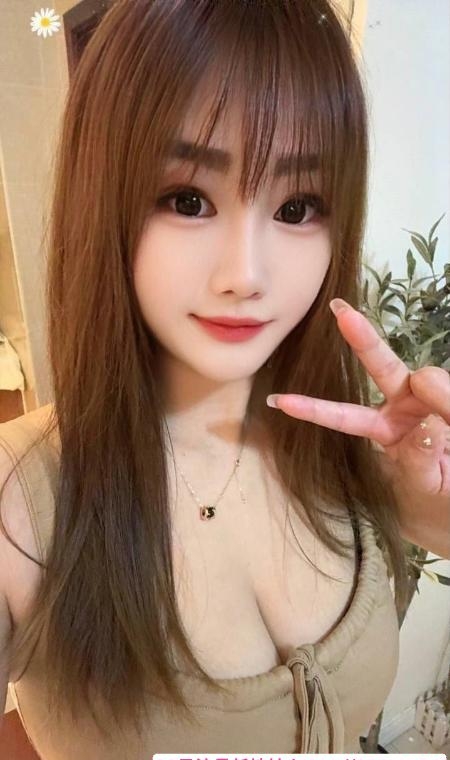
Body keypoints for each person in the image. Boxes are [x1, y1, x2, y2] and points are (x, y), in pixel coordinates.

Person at [0, 0, 449, 756]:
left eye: (297, 207)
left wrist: (436, 515)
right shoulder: (21, 500)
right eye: (189, 200)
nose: (247, 274)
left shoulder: (351, 449)